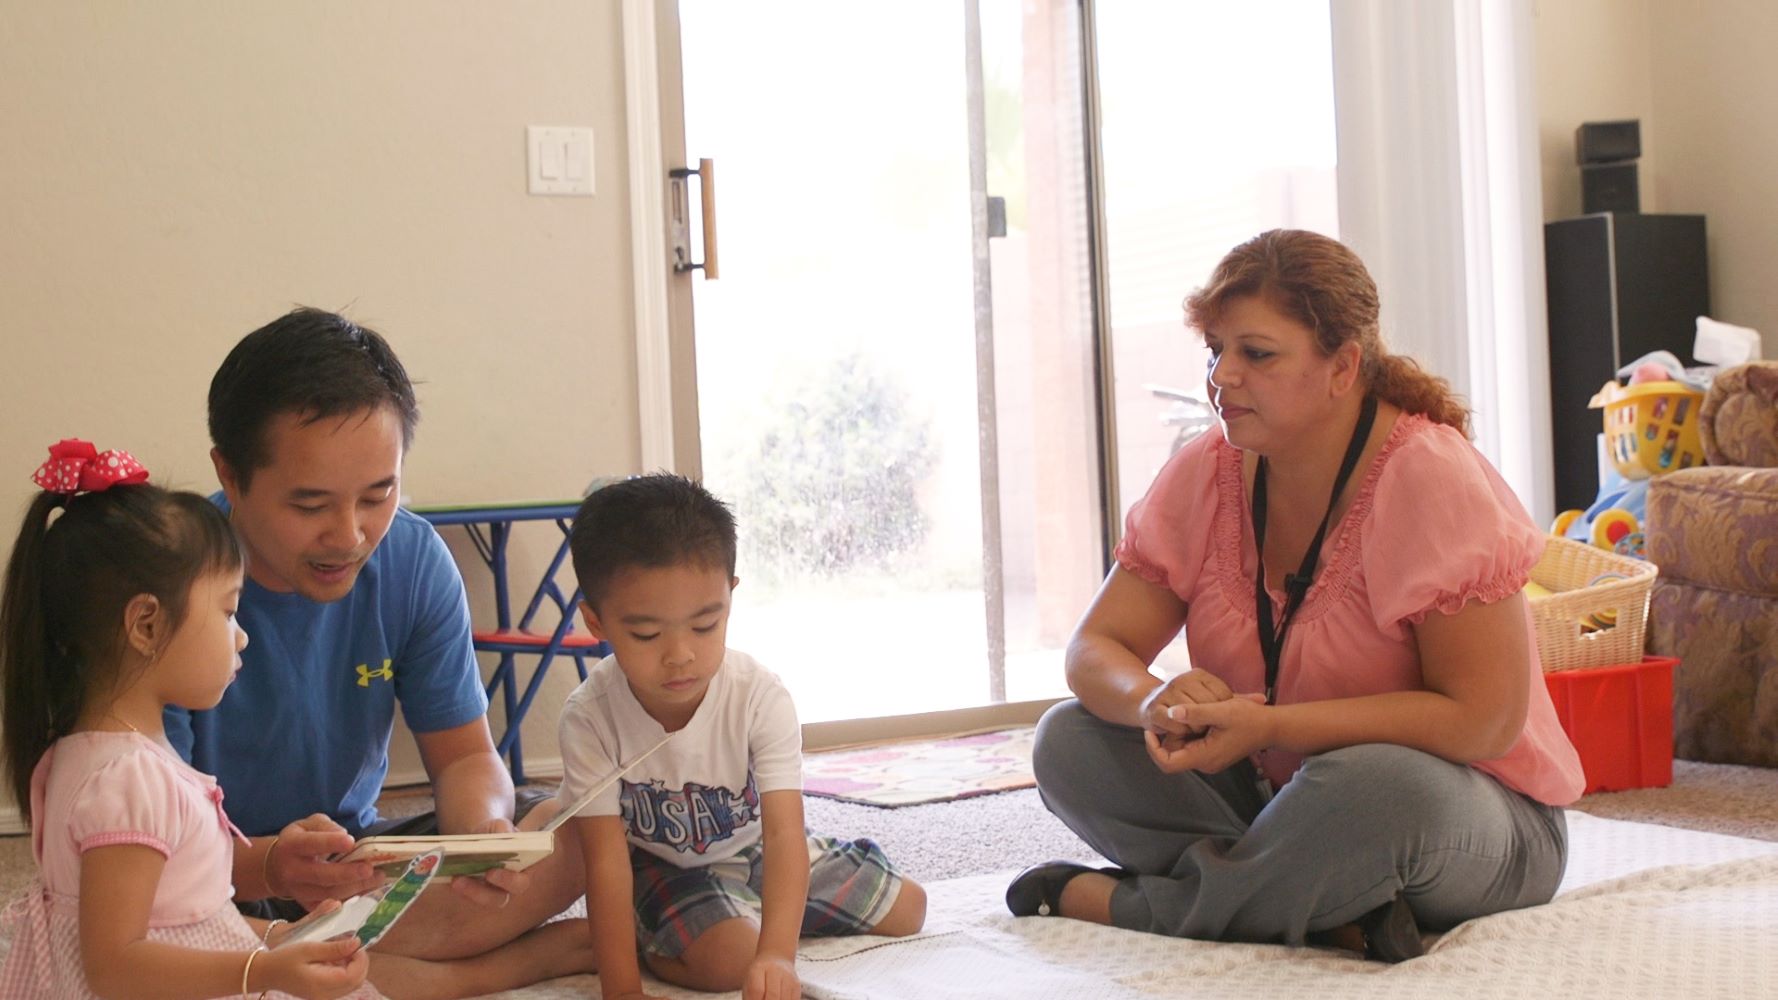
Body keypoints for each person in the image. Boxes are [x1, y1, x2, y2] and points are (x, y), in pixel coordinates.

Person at [1007, 230, 1586, 962]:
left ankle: (1138, 904)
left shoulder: (1430, 476)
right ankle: (1326, 911)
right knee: (1071, 739)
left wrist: (1276, 726)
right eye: (1215, 350)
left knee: (1368, 782)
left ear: (1343, 366)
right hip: (1285, 802)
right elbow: (1095, 649)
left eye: (1258, 353)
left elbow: (1483, 723)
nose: (1224, 377)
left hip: (1466, 815)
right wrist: (1154, 701)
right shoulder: (1207, 472)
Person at [163, 308, 593, 996]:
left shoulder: (413, 560)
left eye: (378, 494)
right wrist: (272, 866)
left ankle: (351, 962)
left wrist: (482, 840)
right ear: (231, 474)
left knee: (583, 833)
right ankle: (497, 966)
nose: (350, 535)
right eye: (310, 505)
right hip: (215, 880)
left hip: (354, 863)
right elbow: (151, 846)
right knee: (167, 938)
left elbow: (464, 758)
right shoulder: (172, 582)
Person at [0, 440, 373, 997]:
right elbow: (115, 964)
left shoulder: (95, 755)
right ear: (146, 625)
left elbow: (181, 918)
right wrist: (261, 971)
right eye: (227, 611)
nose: (241, 634)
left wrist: (276, 937)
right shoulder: (129, 780)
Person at [559, 474, 927, 1000]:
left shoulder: (760, 697)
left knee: (910, 908)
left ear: (730, 597)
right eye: (646, 634)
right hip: (668, 867)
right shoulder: (589, 717)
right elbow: (605, 861)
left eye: (705, 625)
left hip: (758, 850)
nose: (680, 654)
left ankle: (745, 910)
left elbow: (783, 836)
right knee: (731, 960)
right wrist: (622, 988)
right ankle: (671, 933)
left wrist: (778, 954)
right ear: (596, 621)